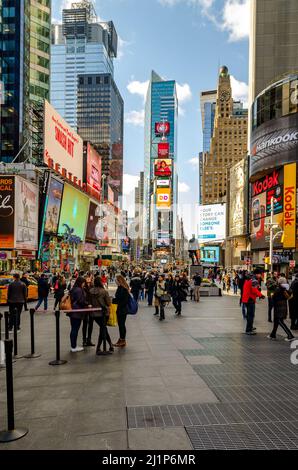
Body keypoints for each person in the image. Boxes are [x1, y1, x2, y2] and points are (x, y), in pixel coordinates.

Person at [89, 277, 113, 355]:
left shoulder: (91, 291)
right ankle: (99, 347)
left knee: (103, 328)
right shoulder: (104, 291)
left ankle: (110, 345)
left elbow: (89, 301)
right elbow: (109, 303)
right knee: (103, 329)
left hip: (94, 313)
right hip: (104, 313)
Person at [268, 277, 295, 341]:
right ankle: (273, 334)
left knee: (280, 321)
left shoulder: (279, 288)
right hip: (284, 306)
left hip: (278, 307)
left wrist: (272, 296)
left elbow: (274, 297)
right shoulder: (287, 288)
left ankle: (290, 335)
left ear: (279, 282)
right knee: (276, 321)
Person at [69, 277, 88, 353]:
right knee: (75, 329)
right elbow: (81, 301)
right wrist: (87, 304)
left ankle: (73, 345)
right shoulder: (79, 290)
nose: (84, 284)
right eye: (83, 283)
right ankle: (74, 346)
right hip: (77, 312)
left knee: (73, 329)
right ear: (81, 282)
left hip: (73, 311)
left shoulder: (74, 289)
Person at [113, 275, 130, 348]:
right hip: (120, 309)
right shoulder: (121, 288)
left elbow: (123, 300)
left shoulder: (123, 289)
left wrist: (113, 301)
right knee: (121, 325)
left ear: (119, 280)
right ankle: (121, 339)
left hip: (122, 310)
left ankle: (122, 340)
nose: (115, 281)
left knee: (122, 325)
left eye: (116, 280)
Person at [82, 273, 95, 347]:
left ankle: (89, 339)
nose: (89, 279)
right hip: (85, 307)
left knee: (91, 324)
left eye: (90, 278)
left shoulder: (93, 287)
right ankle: (84, 340)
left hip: (92, 307)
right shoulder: (83, 288)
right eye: (87, 278)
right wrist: (87, 304)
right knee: (85, 323)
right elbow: (82, 297)